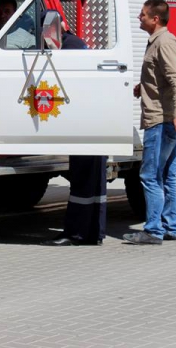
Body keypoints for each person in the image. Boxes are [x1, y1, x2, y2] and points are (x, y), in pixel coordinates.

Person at [123, 0, 176, 245]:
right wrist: (144, 87)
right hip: (165, 118)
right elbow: (161, 77)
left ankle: (153, 230)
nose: (139, 18)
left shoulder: (164, 43)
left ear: (155, 19)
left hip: (162, 120)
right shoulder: (158, 42)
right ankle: (171, 226)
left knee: (150, 175)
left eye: (142, 15)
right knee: (169, 173)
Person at [42, 24, 108, 246]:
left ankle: (76, 233)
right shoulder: (73, 44)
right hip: (93, 121)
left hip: (86, 123)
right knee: (94, 182)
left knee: (82, 179)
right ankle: (94, 233)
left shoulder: (70, 47)